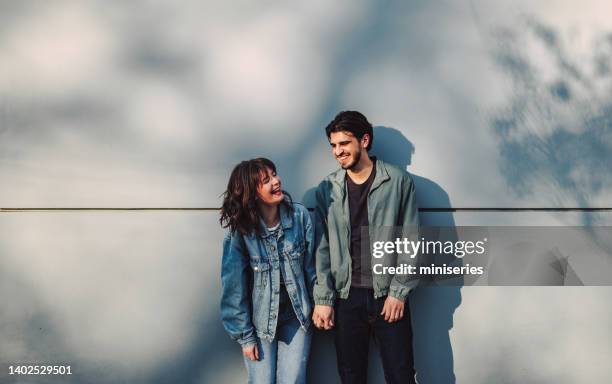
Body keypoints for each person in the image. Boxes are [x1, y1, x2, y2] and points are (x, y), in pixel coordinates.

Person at [312, 111, 420, 384]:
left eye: (344, 144)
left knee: (402, 376)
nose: (338, 152)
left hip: (388, 297)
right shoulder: (328, 189)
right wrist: (323, 299)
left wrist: (399, 292)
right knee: (351, 377)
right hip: (347, 298)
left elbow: (412, 240)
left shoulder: (397, 182)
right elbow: (322, 248)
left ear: (364, 140)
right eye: (334, 146)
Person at [220, 158, 316, 384]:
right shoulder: (241, 233)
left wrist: (322, 303)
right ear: (252, 194)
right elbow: (233, 288)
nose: (276, 181)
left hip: (297, 317)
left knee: (293, 381)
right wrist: (245, 337)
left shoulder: (299, 216)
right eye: (266, 180)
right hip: (260, 323)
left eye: (275, 174)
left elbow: (312, 267)